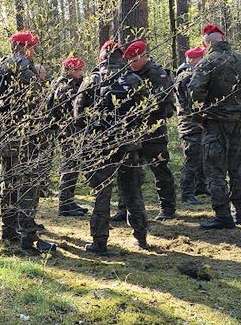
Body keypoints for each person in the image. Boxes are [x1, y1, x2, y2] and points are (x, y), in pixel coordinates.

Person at [0, 30, 56, 253]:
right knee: (28, 187)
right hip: (25, 138)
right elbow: (37, 105)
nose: (34, 51)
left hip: (5, 137)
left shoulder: (1, 68)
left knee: (9, 184)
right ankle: (29, 240)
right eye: (32, 47)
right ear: (25, 48)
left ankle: (9, 230)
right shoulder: (24, 68)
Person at [74, 41, 148, 254]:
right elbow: (145, 112)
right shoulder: (134, 80)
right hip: (129, 146)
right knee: (133, 192)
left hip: (101, 146)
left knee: (101, 193)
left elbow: (78, 115)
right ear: (122, 57)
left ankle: (99, 242)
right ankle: (141, 237)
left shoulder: (92, 80)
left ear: (102, 57)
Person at [189, 24, 241, 229]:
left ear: (206, 43)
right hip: (236, 122)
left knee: (215, 169)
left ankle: (223, 215)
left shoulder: (208, 62)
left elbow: (194, 91)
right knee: (236, 168)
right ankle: (238, 212)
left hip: (215, 122)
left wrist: (199, 116)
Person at [113, 40, 176, 221]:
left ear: (143, 56)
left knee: (159, 167)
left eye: (133, 59)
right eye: (129, 60)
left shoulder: (157, 73)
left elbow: (163, 98)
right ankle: (124, 208)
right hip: (132, 131)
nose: (131, 63)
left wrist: (140, 103)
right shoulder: (126, 74)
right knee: (128, 170)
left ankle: (167, 207)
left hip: (153, 130)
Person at [46, 55, 88, 217]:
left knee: (73, 166)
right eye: (78, 69)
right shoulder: (64, 87)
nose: (81, 72)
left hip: (73, 131)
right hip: (68, 132)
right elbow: (69, 110)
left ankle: (69, 201)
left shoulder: (72, 84)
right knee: (69, 167)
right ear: (70, 70)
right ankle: (64, 204)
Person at [175, 46, 208, 206]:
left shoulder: (192, 75)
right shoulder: (187, 76)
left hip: (196, 122)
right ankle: (187, 193)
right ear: (194, 60)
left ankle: (200, 186)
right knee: (192, 158)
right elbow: (191, 103)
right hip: (190, 123)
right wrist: (200, 119)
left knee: (201, 156)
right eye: (201, 59)